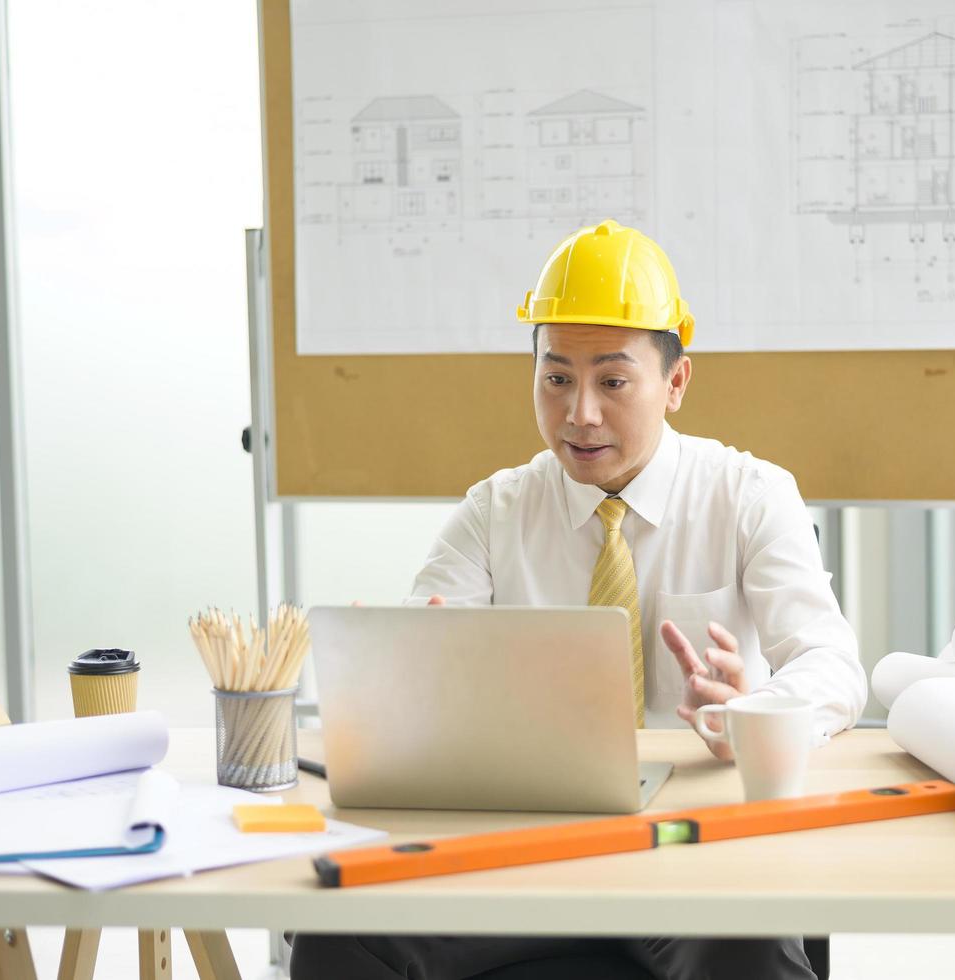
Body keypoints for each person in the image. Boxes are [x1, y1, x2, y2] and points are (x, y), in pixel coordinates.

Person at [292, 219, 866, 980]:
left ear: (676, 382)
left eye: (613, 381)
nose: (580, 413)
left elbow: (833, 666)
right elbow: (426, 652)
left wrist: (754, 711)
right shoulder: (496, 511)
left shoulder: (750, 495)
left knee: (749, 945)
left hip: (690, 853)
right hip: (521, 854)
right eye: (556, 377)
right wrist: (401, 679)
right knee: (339, 940)